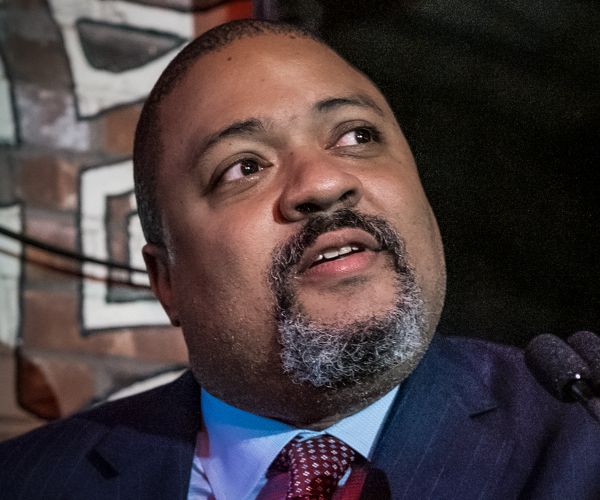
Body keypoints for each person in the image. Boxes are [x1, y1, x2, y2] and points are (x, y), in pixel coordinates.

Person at [0, 19, 598, 499]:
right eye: (244, 167)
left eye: (357, 136)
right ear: (166, 280)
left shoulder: (581, 427)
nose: (324, 182)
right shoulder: (28, 482)